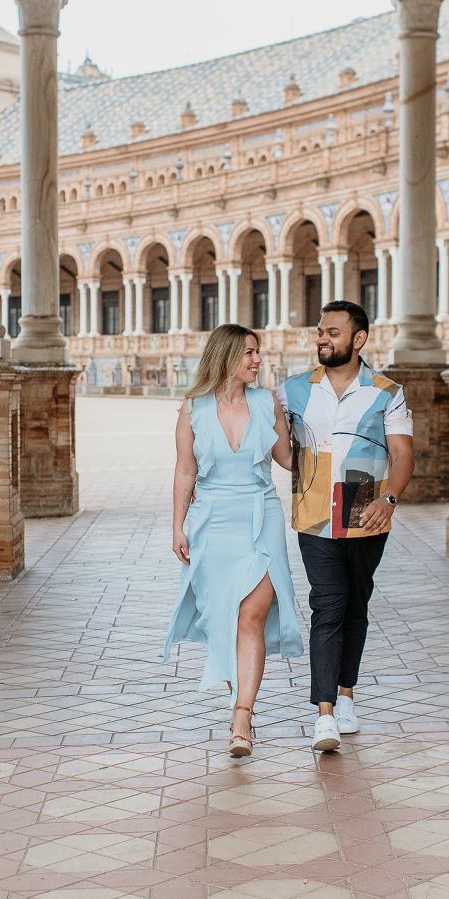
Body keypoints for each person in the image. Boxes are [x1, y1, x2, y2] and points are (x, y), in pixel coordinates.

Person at [276, 301, 413, 752]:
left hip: (364, 509)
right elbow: (272, 440)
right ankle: (325, 714)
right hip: (313, 513)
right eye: (320, 331)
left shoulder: (387, 392)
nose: (322, 338)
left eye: (332, 332)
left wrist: (389, 499)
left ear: (358, 339)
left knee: (355, 606)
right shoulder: (292, 390)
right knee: (328, 606)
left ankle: (347, 695)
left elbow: (402, 453)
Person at [166, 323, 303, 757]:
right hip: (212, 520)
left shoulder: (267, 402)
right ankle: (238, 704)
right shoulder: (193, 408)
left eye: (257, 352)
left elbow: (289, 460)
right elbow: (185, 470)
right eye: (249, 352)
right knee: (225, 616)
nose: (257, 360)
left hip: (262, 515)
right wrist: (178, 525)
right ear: (225, 356)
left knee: (251, 616)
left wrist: (326, 435)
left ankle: (242, 715)